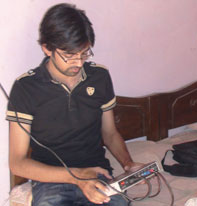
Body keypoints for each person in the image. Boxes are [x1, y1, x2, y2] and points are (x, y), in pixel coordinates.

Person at [6, 3, 141, 206]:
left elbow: (110, 133)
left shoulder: (99, 77)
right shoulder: (26, 88)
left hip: (97, 174)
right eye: (69, 55)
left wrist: (128, 163)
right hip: (51, 181)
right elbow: (17, 163)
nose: (78, 63)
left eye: (84, 53)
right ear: (46, 48)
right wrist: (76, 176)